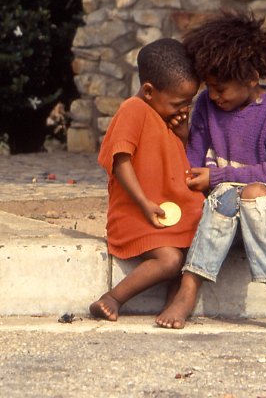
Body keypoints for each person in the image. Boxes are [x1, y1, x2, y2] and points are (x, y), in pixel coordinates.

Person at [155, 10, 266, 332]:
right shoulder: (206, 105)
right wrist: (185, 138)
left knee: (251, 192)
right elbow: (194, 167)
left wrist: (217, 177)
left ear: (251, 78)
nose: (214, 96)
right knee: (228, 194)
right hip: (224, 215)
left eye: (221, 88)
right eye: (210, 87)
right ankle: (189, 289)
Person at [89, 38, 205, 321]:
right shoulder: (134, 109)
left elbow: (175, 158)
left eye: (189, 102)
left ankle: (173, 304)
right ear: (149, 91)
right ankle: (113, 298)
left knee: (199, 246)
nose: (184, 109)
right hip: (139, 215)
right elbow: (120, 159)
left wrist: (183, 135)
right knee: (171, 259)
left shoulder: (165, 116)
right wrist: (143, 202)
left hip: (168, 215)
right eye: (179, 103)